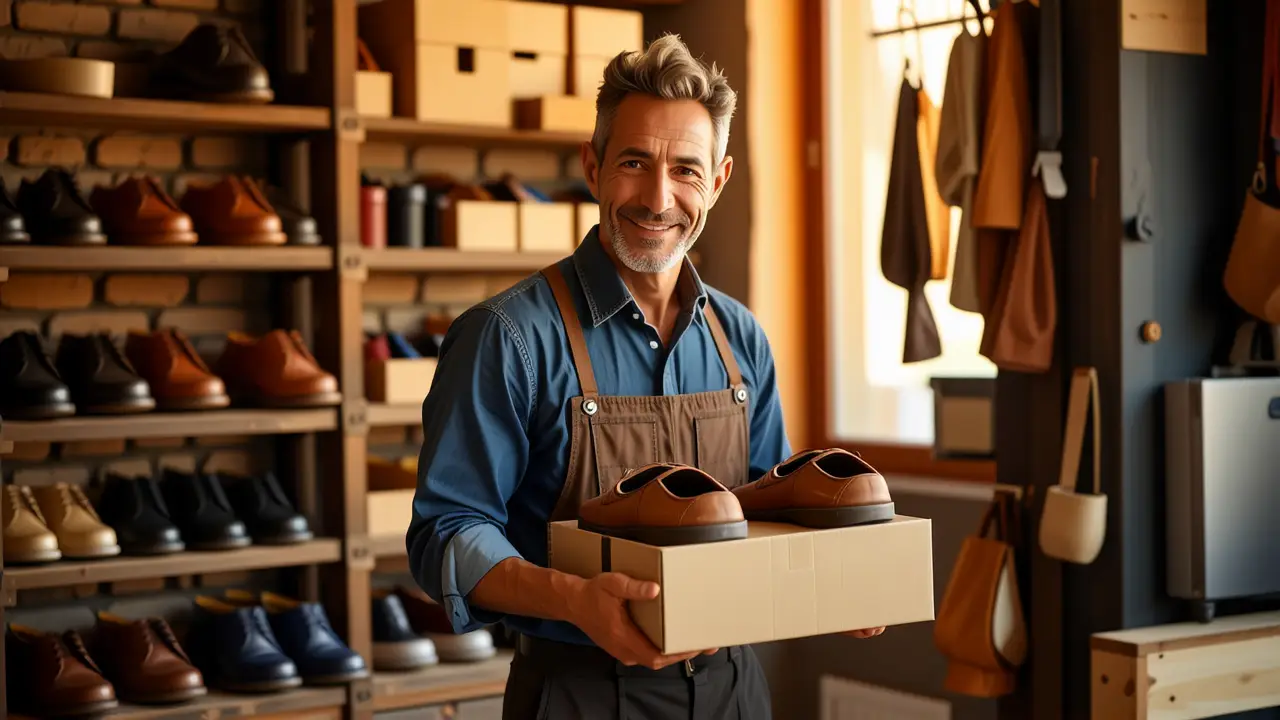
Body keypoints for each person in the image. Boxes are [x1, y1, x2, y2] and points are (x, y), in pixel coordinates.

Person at [408, 33, 884, 720]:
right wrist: (577, 600)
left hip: (733, 690)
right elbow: (446, 532)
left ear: (717, 182)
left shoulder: (740, 339)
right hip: (579, 694)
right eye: (635, 162)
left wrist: (832, 581)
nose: (659, 199)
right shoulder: (508, 337)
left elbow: (767, 515)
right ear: (593, 166)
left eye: (686, 170)